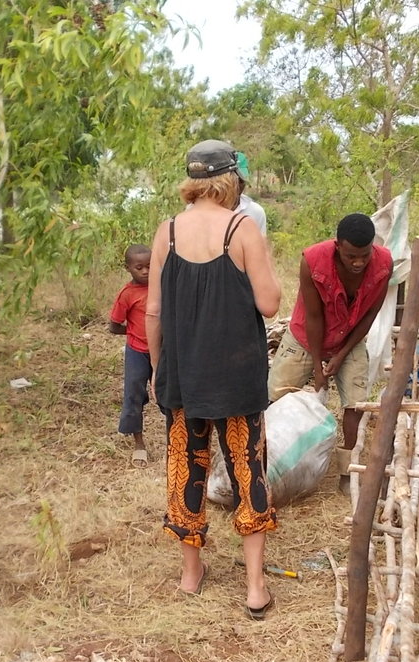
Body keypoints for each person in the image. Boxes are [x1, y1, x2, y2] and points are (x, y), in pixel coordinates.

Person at [146, 139, 282, 620]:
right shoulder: (242, 229)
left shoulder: (168, 231)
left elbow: (155, 310)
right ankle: (254, 587)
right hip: (238, 378)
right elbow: (269, 304)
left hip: (185, 378)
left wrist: (160, 370)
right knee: (249, 472)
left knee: (187, 470)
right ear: (230, 182)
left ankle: (190, 575)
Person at [267, 213, 393, 496]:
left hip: (350, 338)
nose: (358, 262)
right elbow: (313, 316)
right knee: (275, 397)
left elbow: (370, 315)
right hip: (304, 336)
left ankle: (349, 472)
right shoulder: (313, 260)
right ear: (338, 246)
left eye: (364, 255)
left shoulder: (384, 264)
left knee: (356, 406)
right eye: (351, 256)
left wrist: (341, 354)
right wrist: (317, 366)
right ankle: (267, 461)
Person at [109, 243, 153, 467]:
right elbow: (114, 325)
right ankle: (139, 444)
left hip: (162, 351)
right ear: (128, 268)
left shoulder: (162, 287)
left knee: (172, 395)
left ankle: (178, 441)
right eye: (139, 267)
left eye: (149, 266)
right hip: (137, 351)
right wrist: (135, 331)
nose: (145, 271)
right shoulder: (127, 294)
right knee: (134, 396)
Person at [235, 152, 267, 236]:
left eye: (242, 181)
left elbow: (260, 246)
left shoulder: (256, 212)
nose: (239, 185)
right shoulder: (208, 211)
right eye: (235, 180)